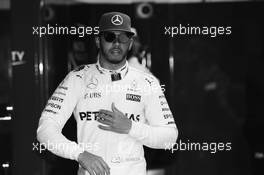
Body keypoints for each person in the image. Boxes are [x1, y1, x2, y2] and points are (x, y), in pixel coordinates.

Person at [37, 12, 178, 175]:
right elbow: (45, 130)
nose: (117, 43)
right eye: (110, 37)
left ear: (130, 43)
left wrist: (131, 127)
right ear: (98, 41)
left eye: (123, 37)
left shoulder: (147, 82)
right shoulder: (77, 78)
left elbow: (170, 137)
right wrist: (79, 155)